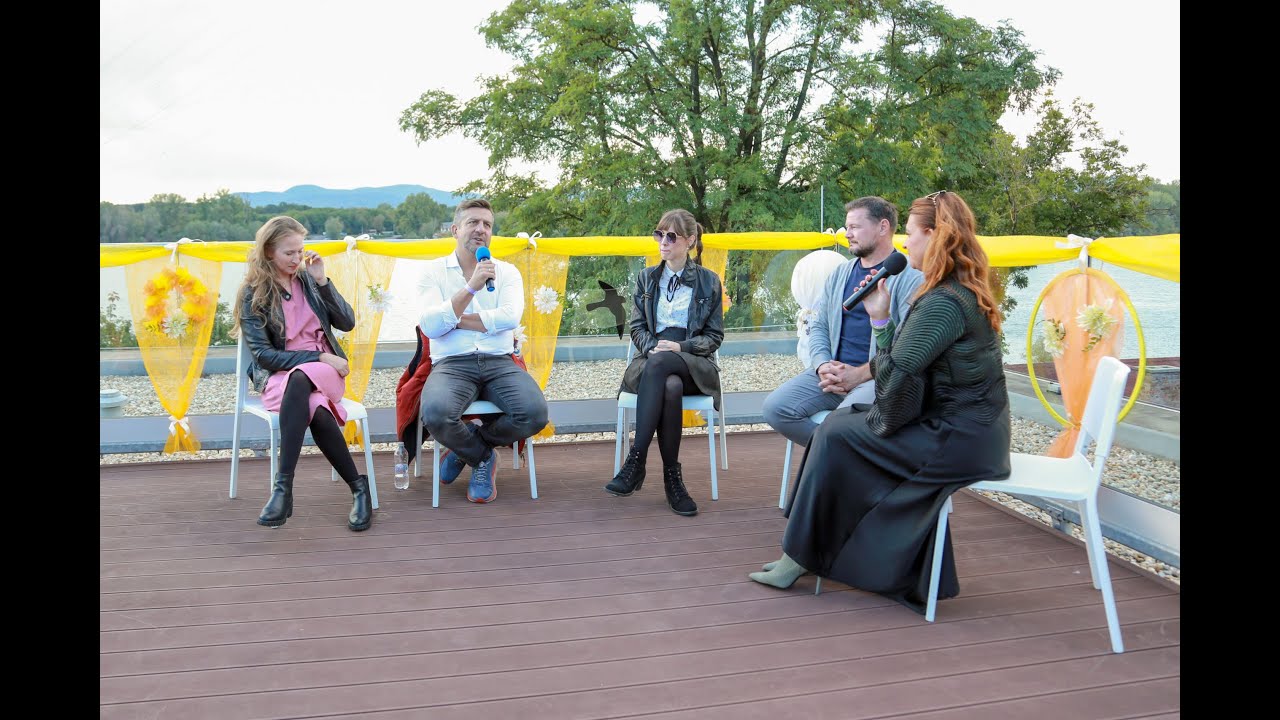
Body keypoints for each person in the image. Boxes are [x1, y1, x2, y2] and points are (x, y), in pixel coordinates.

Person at [749, 190, 1012, 615]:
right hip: (966, 429)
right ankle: (807, 551)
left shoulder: (944, 302)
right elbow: (901, 364)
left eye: (912, 236)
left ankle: (800, 555)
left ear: (937, 236)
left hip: (960, 438)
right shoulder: (953, 290)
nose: (908, 246)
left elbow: (897, 372)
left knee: (837, 436)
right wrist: (881, 319)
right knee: (838, 432)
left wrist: (879, 323)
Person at [234, 216, 373, 531]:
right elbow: (265, 355)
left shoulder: (309, 280)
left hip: (325, 375)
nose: (297, 259)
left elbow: (347, 322)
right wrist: (321, 355)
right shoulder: (253, 293)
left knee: (303, 380)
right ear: (269, 252)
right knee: (314, 408)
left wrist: (323, 281)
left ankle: (283, 489)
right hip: (281, 378)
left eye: (300, 251)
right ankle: (358, 487)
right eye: (289, 253)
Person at [762, 197, 923, 448]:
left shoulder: (910, 279)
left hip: (874, 379)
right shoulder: (840, 274)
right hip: (832, 376)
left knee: (840, 427)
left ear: (882, 227)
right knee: (776, 409)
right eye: (846, 227)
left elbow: (906, 349)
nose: (847, 234)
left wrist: (858, 375)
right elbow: (819, 325)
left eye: (855, 227)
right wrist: (822, 365)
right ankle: (841, 455)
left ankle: (838, 457)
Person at [418, 198, 549, 503]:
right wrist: (471, 288)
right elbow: (430, 326)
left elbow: (510, 317)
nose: (481, 229)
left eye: (487, 224)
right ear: (455, 229)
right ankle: (482, 458)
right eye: (473, 222)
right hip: (452, 364)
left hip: (498, 361)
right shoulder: (433, 273)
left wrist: (455, 320)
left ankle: (473, 446)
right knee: (436, 414)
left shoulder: (507, 272)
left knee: (534, 413)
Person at [605, 209, 725, 517]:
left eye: (671, 236)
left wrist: (681, 346)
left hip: (694, 362)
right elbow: (636, 327)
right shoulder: (647, 278)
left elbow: (713, 337)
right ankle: (673, 480)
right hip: (651, 360)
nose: (663, 242)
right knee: (668, 384)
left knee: (667, 369)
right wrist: (653, 347)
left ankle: (636, 460)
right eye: (659, 235)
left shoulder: (708, 282)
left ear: (690, 241)